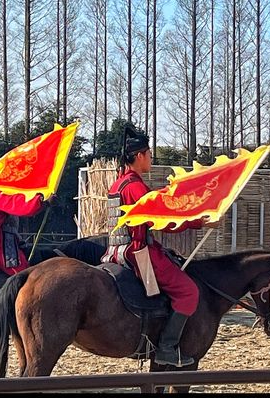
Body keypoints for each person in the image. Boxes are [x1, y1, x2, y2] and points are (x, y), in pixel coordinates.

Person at [103, 127, 212, 367]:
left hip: (114, 251)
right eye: (150, 154)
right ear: (140, 155)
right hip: (138, 252)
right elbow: (160, 220)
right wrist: (197, 222)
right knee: (188, 292)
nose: (151, 159)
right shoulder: (135, 187)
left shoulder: (117, 184)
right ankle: (167, 347)